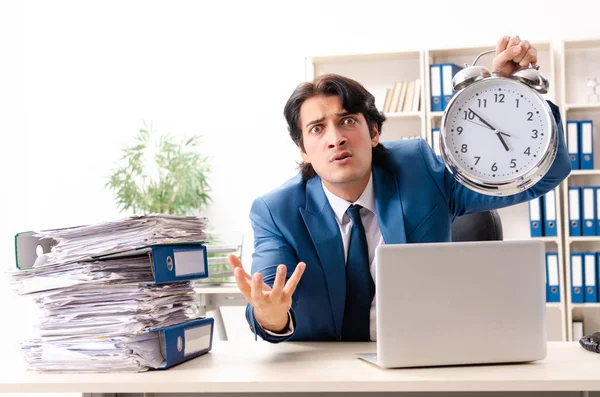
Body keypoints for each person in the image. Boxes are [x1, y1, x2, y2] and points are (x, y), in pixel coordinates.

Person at [227, 35, 572, 343]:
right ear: (303, 149)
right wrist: (270, 317)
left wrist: (514, 91)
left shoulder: (420, 171)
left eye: (347, 121)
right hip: (327, 370)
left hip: (424, 357)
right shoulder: (276, 211)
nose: (336, 139)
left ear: (374, 132)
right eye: (317, 129)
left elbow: (547, 174)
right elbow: (267, 296)